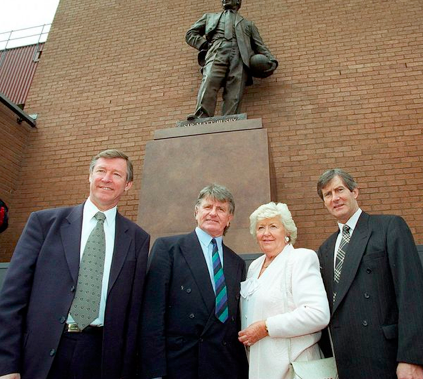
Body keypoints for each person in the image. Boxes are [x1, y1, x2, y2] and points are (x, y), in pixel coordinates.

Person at [0, 149, 150, 379]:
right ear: (90, 176)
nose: (107, 179)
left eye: (116, 174)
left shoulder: (138, 239)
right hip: (42, 354)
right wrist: (8, 365)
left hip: (100, 358)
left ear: (128, 185)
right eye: (101, 171)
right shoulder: (44, 224)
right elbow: (12, 299)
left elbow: (133, 313)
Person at [315, 169, 423, 379]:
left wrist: (411, 358)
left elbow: (411, 294)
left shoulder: (389, 227)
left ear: (355, 192)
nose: (335, 198)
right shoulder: (325, 249)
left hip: (386, 358)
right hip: (345, 360)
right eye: (328, 194)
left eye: (339, 190)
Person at [140, 184, 247, 379]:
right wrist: (154, 371)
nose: (213, 213)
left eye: (221, 209)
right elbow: (152, 314)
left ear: (229, 218)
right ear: (196, 212)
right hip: (180, 365)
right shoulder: (169, 249)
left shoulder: (237, 263)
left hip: (224, 366)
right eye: (207, 207)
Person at [237, 202, 329, 379]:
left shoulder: (300, 258)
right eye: (260, 228)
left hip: (294, 368)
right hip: (259, 366)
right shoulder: (254, 267)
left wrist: (266, 327)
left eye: (273, 226)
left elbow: (318, 314)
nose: (266, 233)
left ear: (286, 232)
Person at [185, 0, 278, 120]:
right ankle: (201, 115)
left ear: (238, 1)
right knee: (210, 80)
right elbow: (190, 34)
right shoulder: (209, 17)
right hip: (217, 50)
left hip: (240, 55)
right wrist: (204, 44)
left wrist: (271, 59)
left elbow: (259, 45)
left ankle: (230, 118)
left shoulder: (248, 24)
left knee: (235, 87)